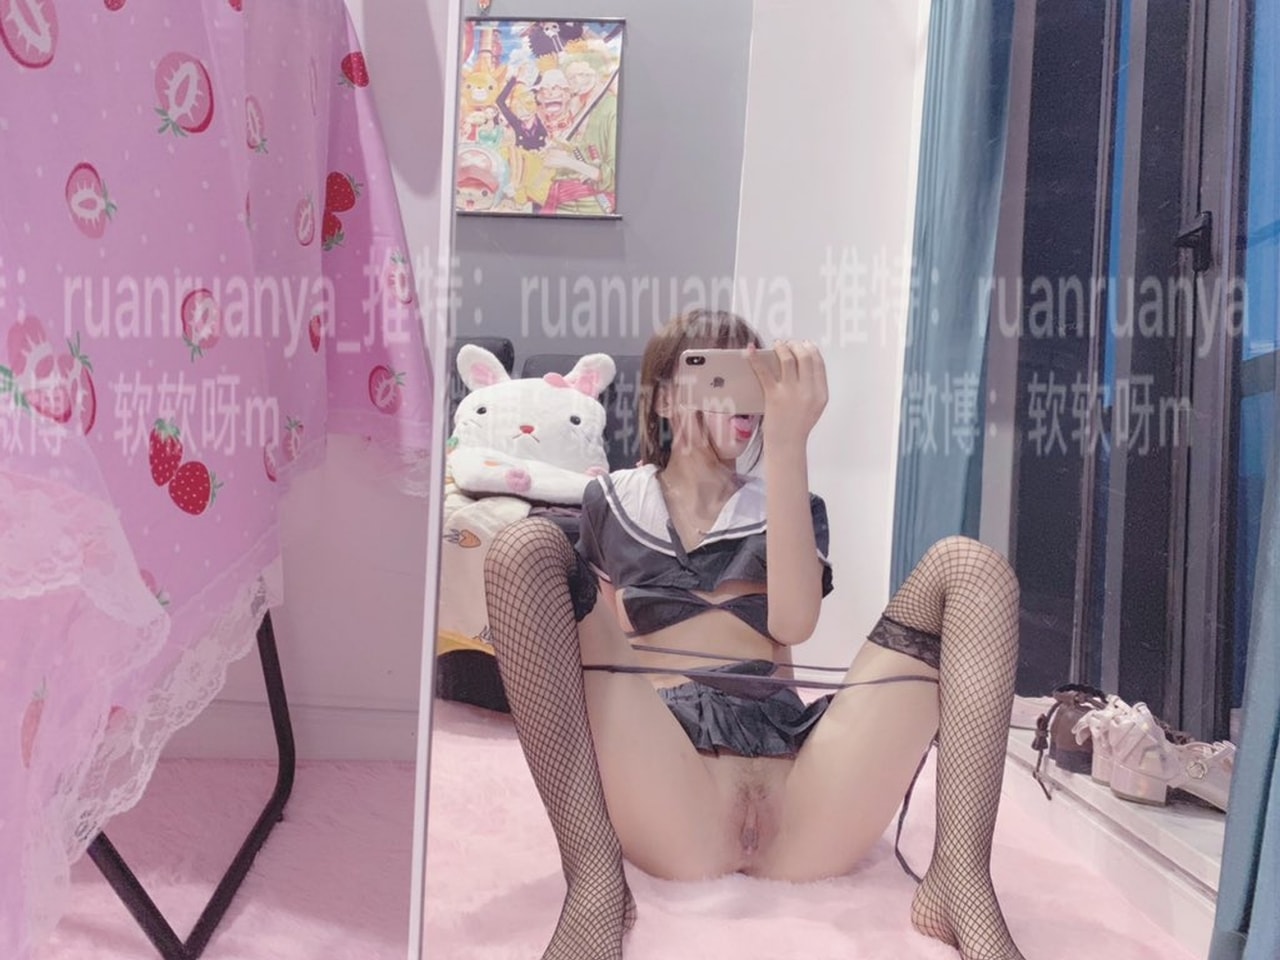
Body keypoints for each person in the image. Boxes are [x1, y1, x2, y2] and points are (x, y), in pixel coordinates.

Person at [482, 309, 1026, 960]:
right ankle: (595, 881)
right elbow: (591, 661)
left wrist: (792, 444)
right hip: (671, 791)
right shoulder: (613, 503)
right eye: (722, 374)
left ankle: (960, 880)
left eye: (757, 376)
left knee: (971, 567)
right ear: (664, 398)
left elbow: (793, 625)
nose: (746, 398)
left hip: (807, 803)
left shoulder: (787, 505)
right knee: (522, 547)